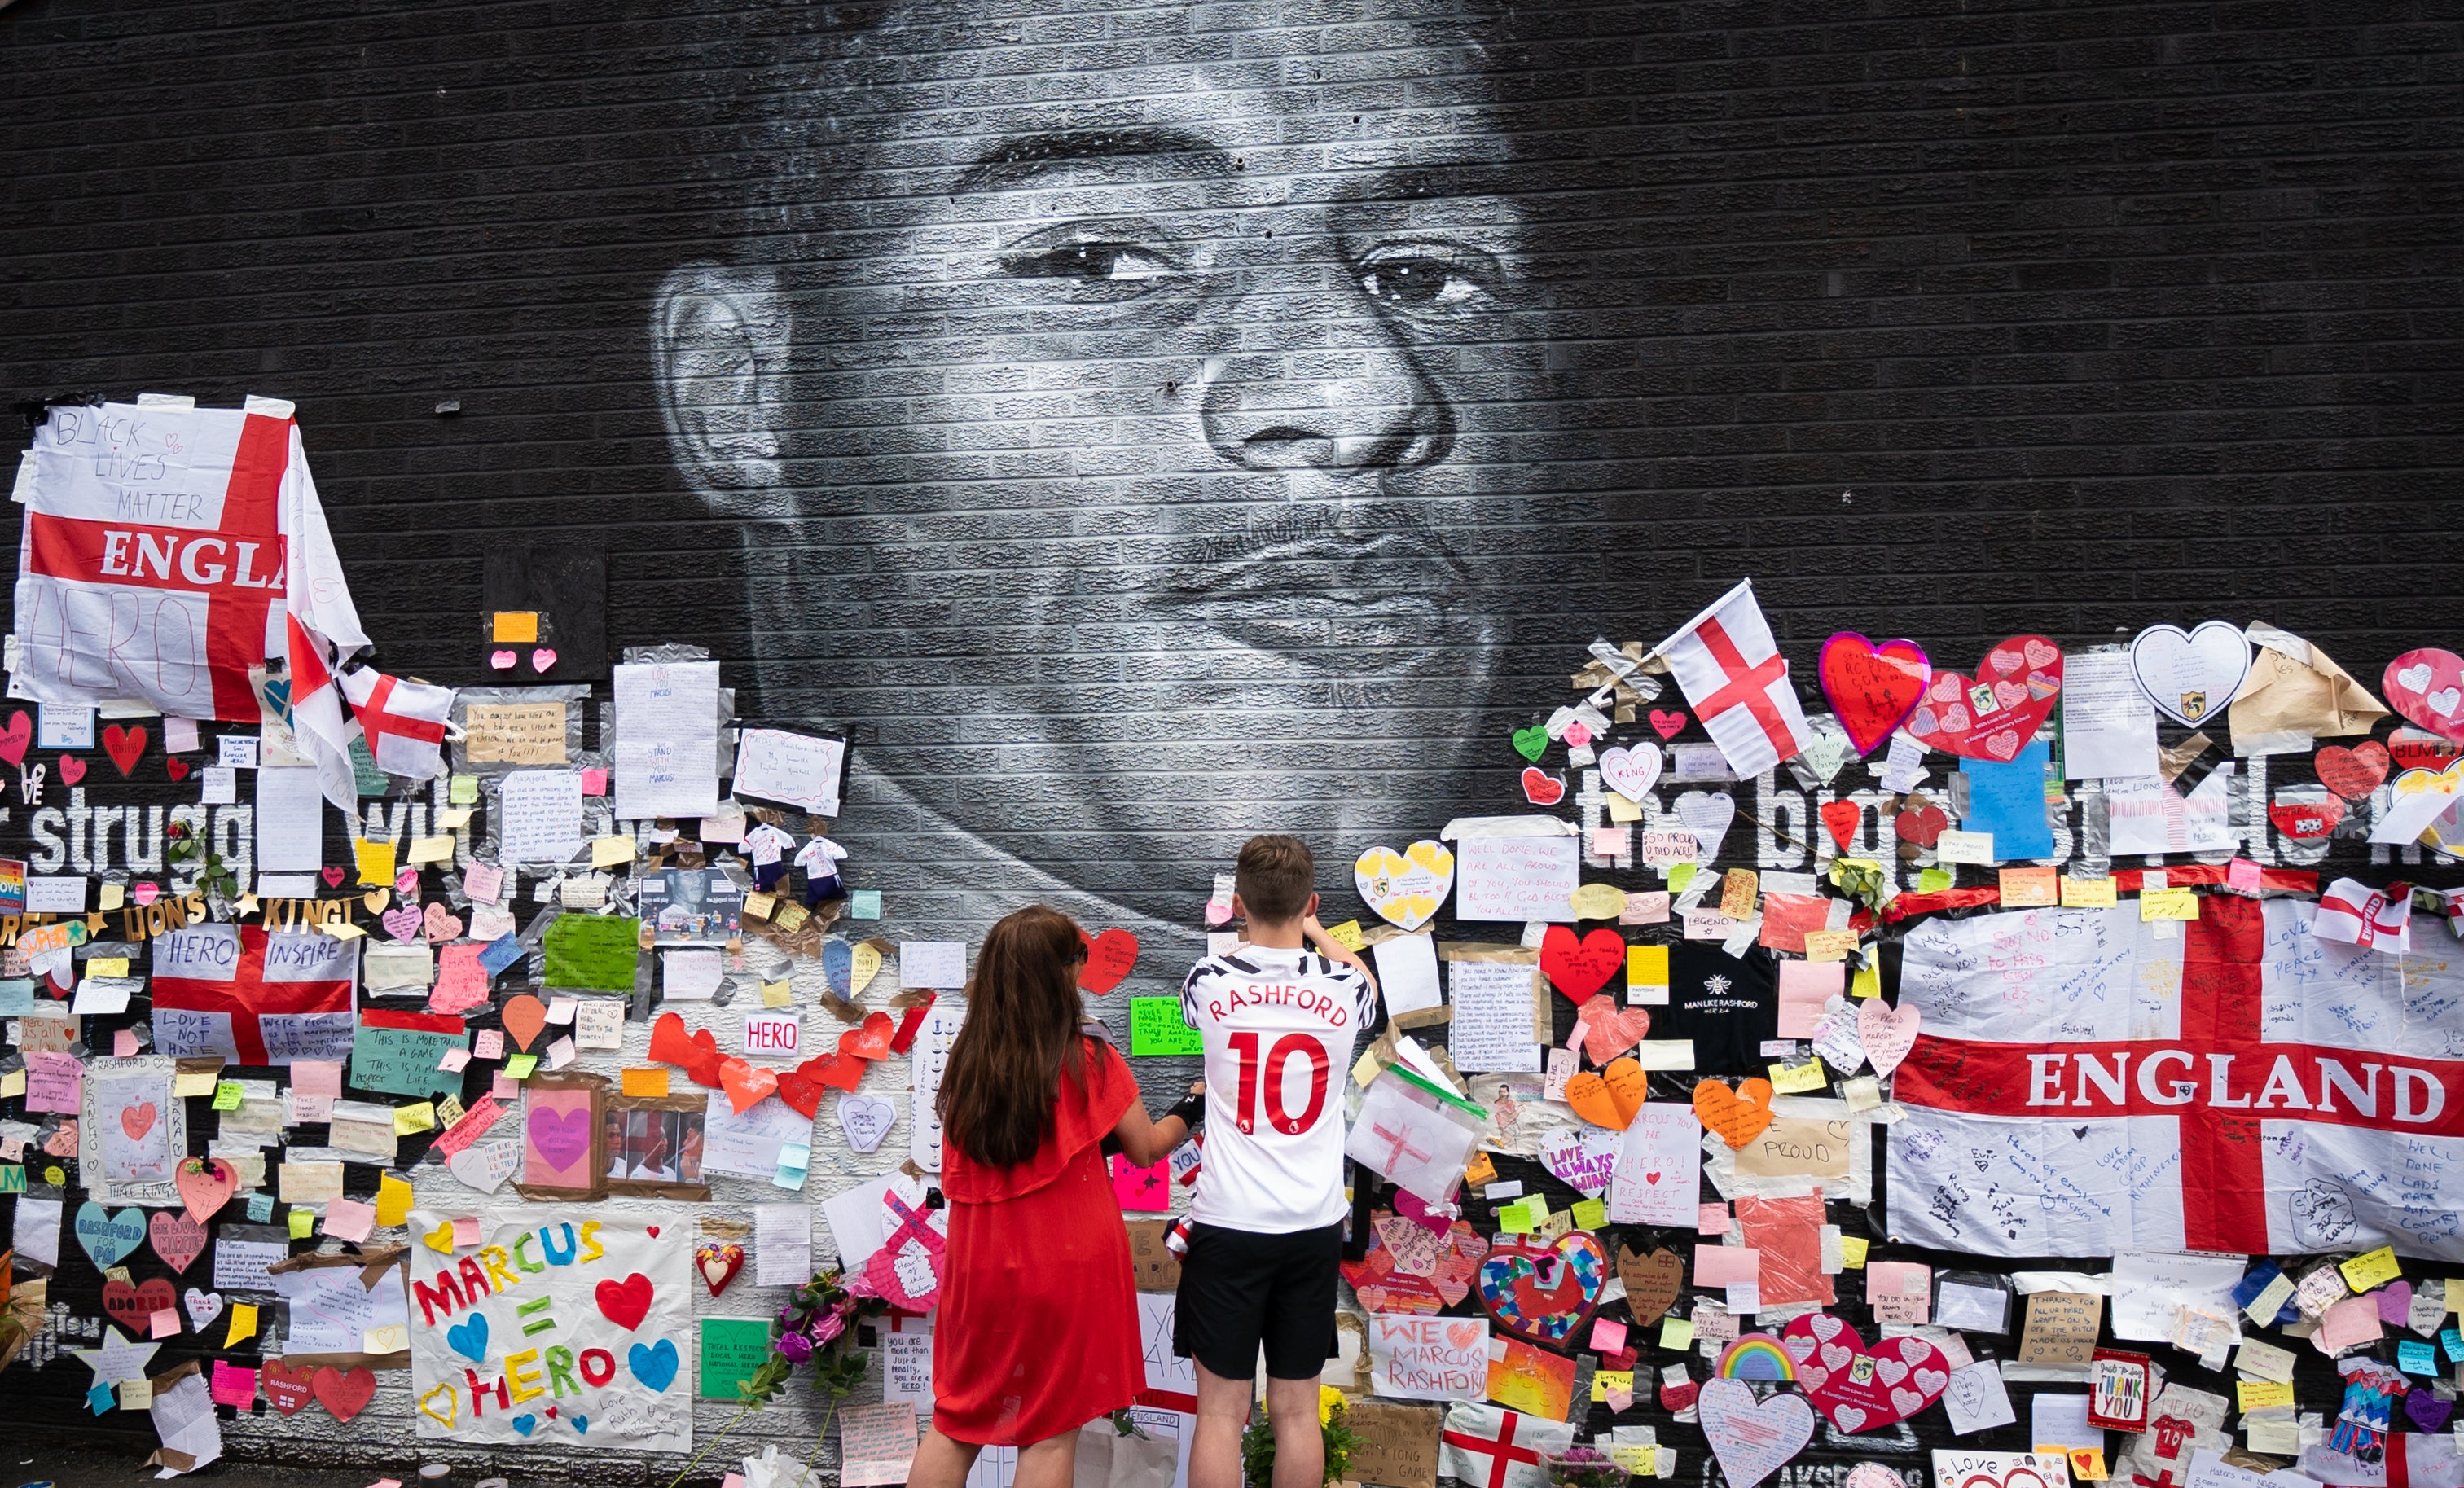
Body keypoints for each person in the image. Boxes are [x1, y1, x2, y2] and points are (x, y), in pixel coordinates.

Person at [911, 905, 1207, 1488]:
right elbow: (1146, 1148)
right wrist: (1190, 1108)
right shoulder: (1087, 1055)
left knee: (956, 1420)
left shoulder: (966, 1061)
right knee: (1049, 1433)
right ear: (1062, 973)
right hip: (1066, 1262)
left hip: (980, 1267)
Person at [1175, 836, 1382, 1488]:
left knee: (1220, 1413)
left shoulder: (1207, 981)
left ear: (1238, 904)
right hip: (1311, 1224)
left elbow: (1236, 968)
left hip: (1229, 1222)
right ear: (1311, 902)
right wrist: (1318, 931)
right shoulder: (1347, 987)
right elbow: (1367, 980)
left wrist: (1269, 928)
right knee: (1295, 1411)